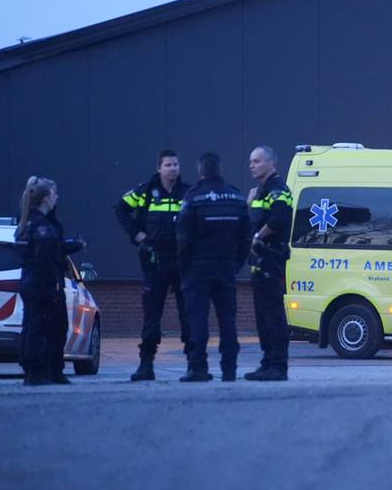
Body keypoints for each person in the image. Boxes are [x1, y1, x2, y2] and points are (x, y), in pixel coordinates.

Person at [114, 149, 191, 381]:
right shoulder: (145, 191)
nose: (173, 169)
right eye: (168, 165)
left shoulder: (188, 192)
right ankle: (146, 365)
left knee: (188, 315)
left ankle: (194, 365)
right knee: (152, 316)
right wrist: (137, 235)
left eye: (176, 164)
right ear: (159, 168)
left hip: (181, 261)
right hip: (154, 261)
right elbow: (121, 208)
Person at [176, 152, 251, 382]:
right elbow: (246, 238)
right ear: (221, 170)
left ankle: (197, 368)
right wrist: (235, 264)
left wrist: (184, 270)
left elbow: (182, 239)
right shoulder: (237, 198)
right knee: (228, 321)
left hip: (197, 268)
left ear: (201, 171)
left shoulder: (193, 197)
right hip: (226, 267)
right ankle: (230, 370)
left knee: (197, 320)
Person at [16, 176, 84, 386]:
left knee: (32, 326)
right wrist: (52, 287)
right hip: (42, 284)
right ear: (45, 198)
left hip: (29, 282)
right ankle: (39, 372)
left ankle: (34, 371)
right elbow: (46, 258)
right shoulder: (42, 227)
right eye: (54, 195)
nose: (57, 198)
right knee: (44, 328)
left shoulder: (27, 223)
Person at [243, 146, 294, 382]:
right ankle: (267, 361)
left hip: (271, 259)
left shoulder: (277, 188)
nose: (252, 165)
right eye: (251, 161)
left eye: (256, 161)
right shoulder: (259, 191)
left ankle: (278, 365)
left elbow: (279, 218)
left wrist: (258, 237)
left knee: (273, 315)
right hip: (258, 262)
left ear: (270, 163)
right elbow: (249, 221)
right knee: (262, 316)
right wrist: (249, 202)